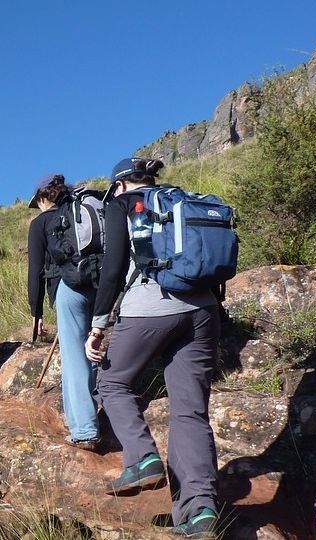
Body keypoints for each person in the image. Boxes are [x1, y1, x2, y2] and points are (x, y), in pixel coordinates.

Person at [85, 158, 221, 538]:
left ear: (121, 185)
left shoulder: (122, 205)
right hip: (204, 310)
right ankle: (200, 514)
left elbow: (112, 269)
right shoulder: (182, 199)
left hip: (150, 309)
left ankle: (143, 459)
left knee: (111, 383)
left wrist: (98, 326)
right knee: (190, 412)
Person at [27, 174, 100, 450]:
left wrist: (36, 311)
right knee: (93, 351)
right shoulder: (81, 214)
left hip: (69, 290)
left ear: (44, 198)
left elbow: (35, 271)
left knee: (74, 359)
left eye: (38, 202)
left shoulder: (41, 223)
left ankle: (85, 429)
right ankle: (90, 416)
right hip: (101, 285)